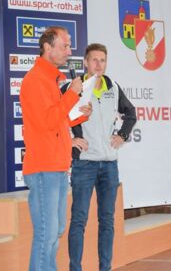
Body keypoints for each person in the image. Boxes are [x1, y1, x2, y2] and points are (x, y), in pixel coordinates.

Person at [20, 26, 92, 271]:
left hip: (58, 166)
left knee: (55, 231)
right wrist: (71, 95)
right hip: (44, 167)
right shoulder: (35, 80)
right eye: (64, 46)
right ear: (47, 47)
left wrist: (81, 114)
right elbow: (47, 121)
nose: (69, 51)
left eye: (69, 46)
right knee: (46, 233)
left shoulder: (51, 80)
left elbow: (58, 120)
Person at [67, 43, 137, 271]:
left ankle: (105, 268)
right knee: (79, 221)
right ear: (85, 62)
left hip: (109, 165)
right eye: (94, 60)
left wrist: (122, 135)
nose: (99, 65)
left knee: (107, 221)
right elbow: (57, 118)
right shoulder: (74, 87)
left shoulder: (112, 87)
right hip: (84, 164)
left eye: (103, 60)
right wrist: (70, 141)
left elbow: (131, 113)